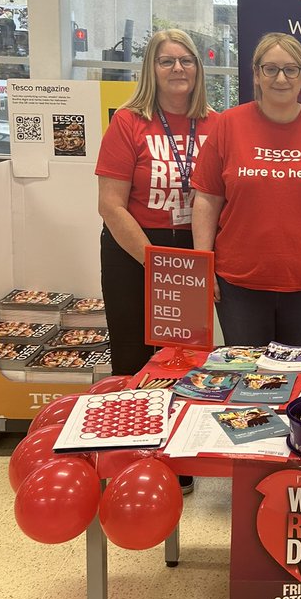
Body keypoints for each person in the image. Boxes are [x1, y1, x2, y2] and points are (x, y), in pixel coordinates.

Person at [95, 29, 217, 497]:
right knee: (133, 358)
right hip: (133, 251)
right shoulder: (129, 122)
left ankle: (176, 459)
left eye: (186, 60)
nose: (178, 69)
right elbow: (110, 205)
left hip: (191, 249)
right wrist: (156, 264)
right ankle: (131, 457)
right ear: (151, 69)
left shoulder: (215, 124)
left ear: (198, 68)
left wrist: (190, 264)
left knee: (183, 362)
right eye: (167, 61)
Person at [192, 33, 301, 348]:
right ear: (256, 74)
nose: (281, 78)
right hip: (239, 284)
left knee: (300, 374)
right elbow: (207, 199)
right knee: (245, 374)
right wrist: (204, 266)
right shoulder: (228, 125)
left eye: (291, 69)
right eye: (270, 69)